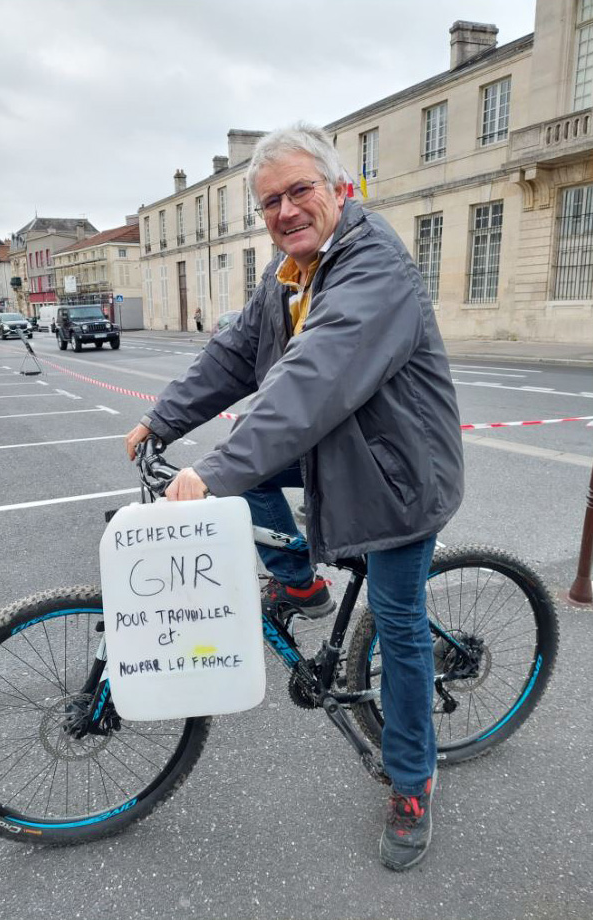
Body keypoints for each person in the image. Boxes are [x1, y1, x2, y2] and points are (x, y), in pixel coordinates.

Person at [125, 123, 464, 871]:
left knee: (399, 623)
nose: (284, 211)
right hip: (336, 452)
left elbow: (313, 380)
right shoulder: (290, 270)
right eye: (269, 201)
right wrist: (163, 418)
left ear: (340, 189)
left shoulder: (374, 269)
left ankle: (412, 784)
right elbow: (236, 354)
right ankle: (301, 582)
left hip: (400, 474)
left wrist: (213, 469)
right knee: (244, 484)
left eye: (299, 191)